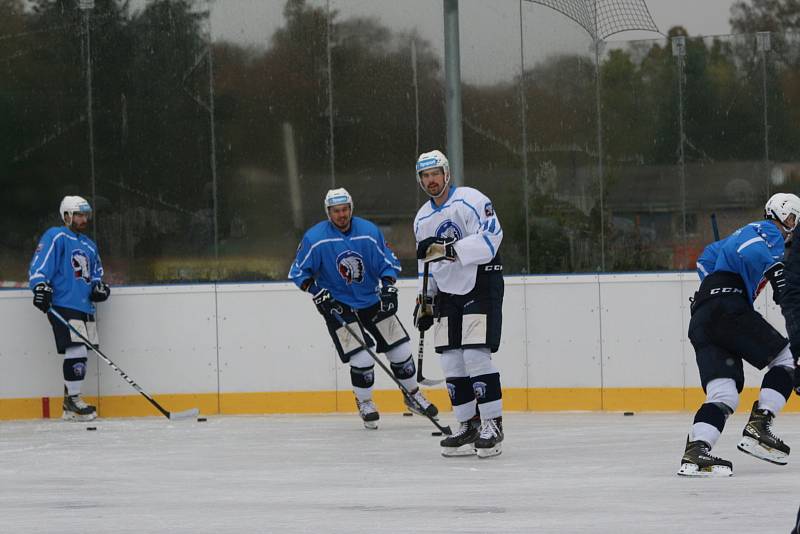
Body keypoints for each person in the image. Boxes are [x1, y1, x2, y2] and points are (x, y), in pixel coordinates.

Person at [289, 188, 438, 429]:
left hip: (371, 299)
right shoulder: (315, 238)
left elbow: (388, 262)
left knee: (400, 349)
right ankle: (365, 401)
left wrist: (388, 287)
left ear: (351, 209)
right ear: (329, 212)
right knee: (360, 356)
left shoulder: (368, 232)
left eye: (345, 209)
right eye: (336, 211)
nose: (342, 215)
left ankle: (412, 395)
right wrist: (317, 293)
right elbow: (298, 272)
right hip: (338, 305)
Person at [677, 193, 800, 476]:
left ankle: (696, 451)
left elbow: (705, 259)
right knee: (786, 359)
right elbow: (750, 246)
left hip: (703, 317)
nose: (792, 226)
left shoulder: (739, 239)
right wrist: (775, 272)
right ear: (780, 215)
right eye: (792, 218)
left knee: (724, 393)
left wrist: (719, 287)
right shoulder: (766, 231)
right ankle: (760, 423)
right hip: (726, 309)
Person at [412, 150, 505, 458]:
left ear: (447, 173)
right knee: (452, 360)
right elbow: (426, 265)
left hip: (480, 282)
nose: (431, 180)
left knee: (476, 355)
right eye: (425, 176)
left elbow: (492, 239)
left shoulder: (472, 200)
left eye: (435, 173)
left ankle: (492, 423)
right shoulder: (422, 218)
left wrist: (445, 248)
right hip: (447, 292)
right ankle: (469, 425)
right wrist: (425, 300)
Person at [28, 196, 110, 421]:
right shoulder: (56, 236)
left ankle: (68, 404)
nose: (84, 219)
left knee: (81, 354)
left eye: (85, 215)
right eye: (79, 215)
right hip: (63, 303)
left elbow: (96, 276)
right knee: (77, 350)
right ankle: (74, 400)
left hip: (85, 307)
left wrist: (99, 289)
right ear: (66, 216)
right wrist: (40, 286)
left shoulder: (89, 245)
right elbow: (39, 266)